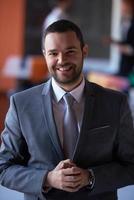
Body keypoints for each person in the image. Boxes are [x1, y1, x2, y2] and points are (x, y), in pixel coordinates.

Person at [0, 20, 134, 200]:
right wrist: (47, 179)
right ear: (45, 55)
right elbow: (4, 168)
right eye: (53, 53)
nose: (62, 60)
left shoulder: (115, 103)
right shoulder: (21, 104)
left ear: (84, 51)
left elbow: (131, 165)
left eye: (70, 51)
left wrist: (90, 177)